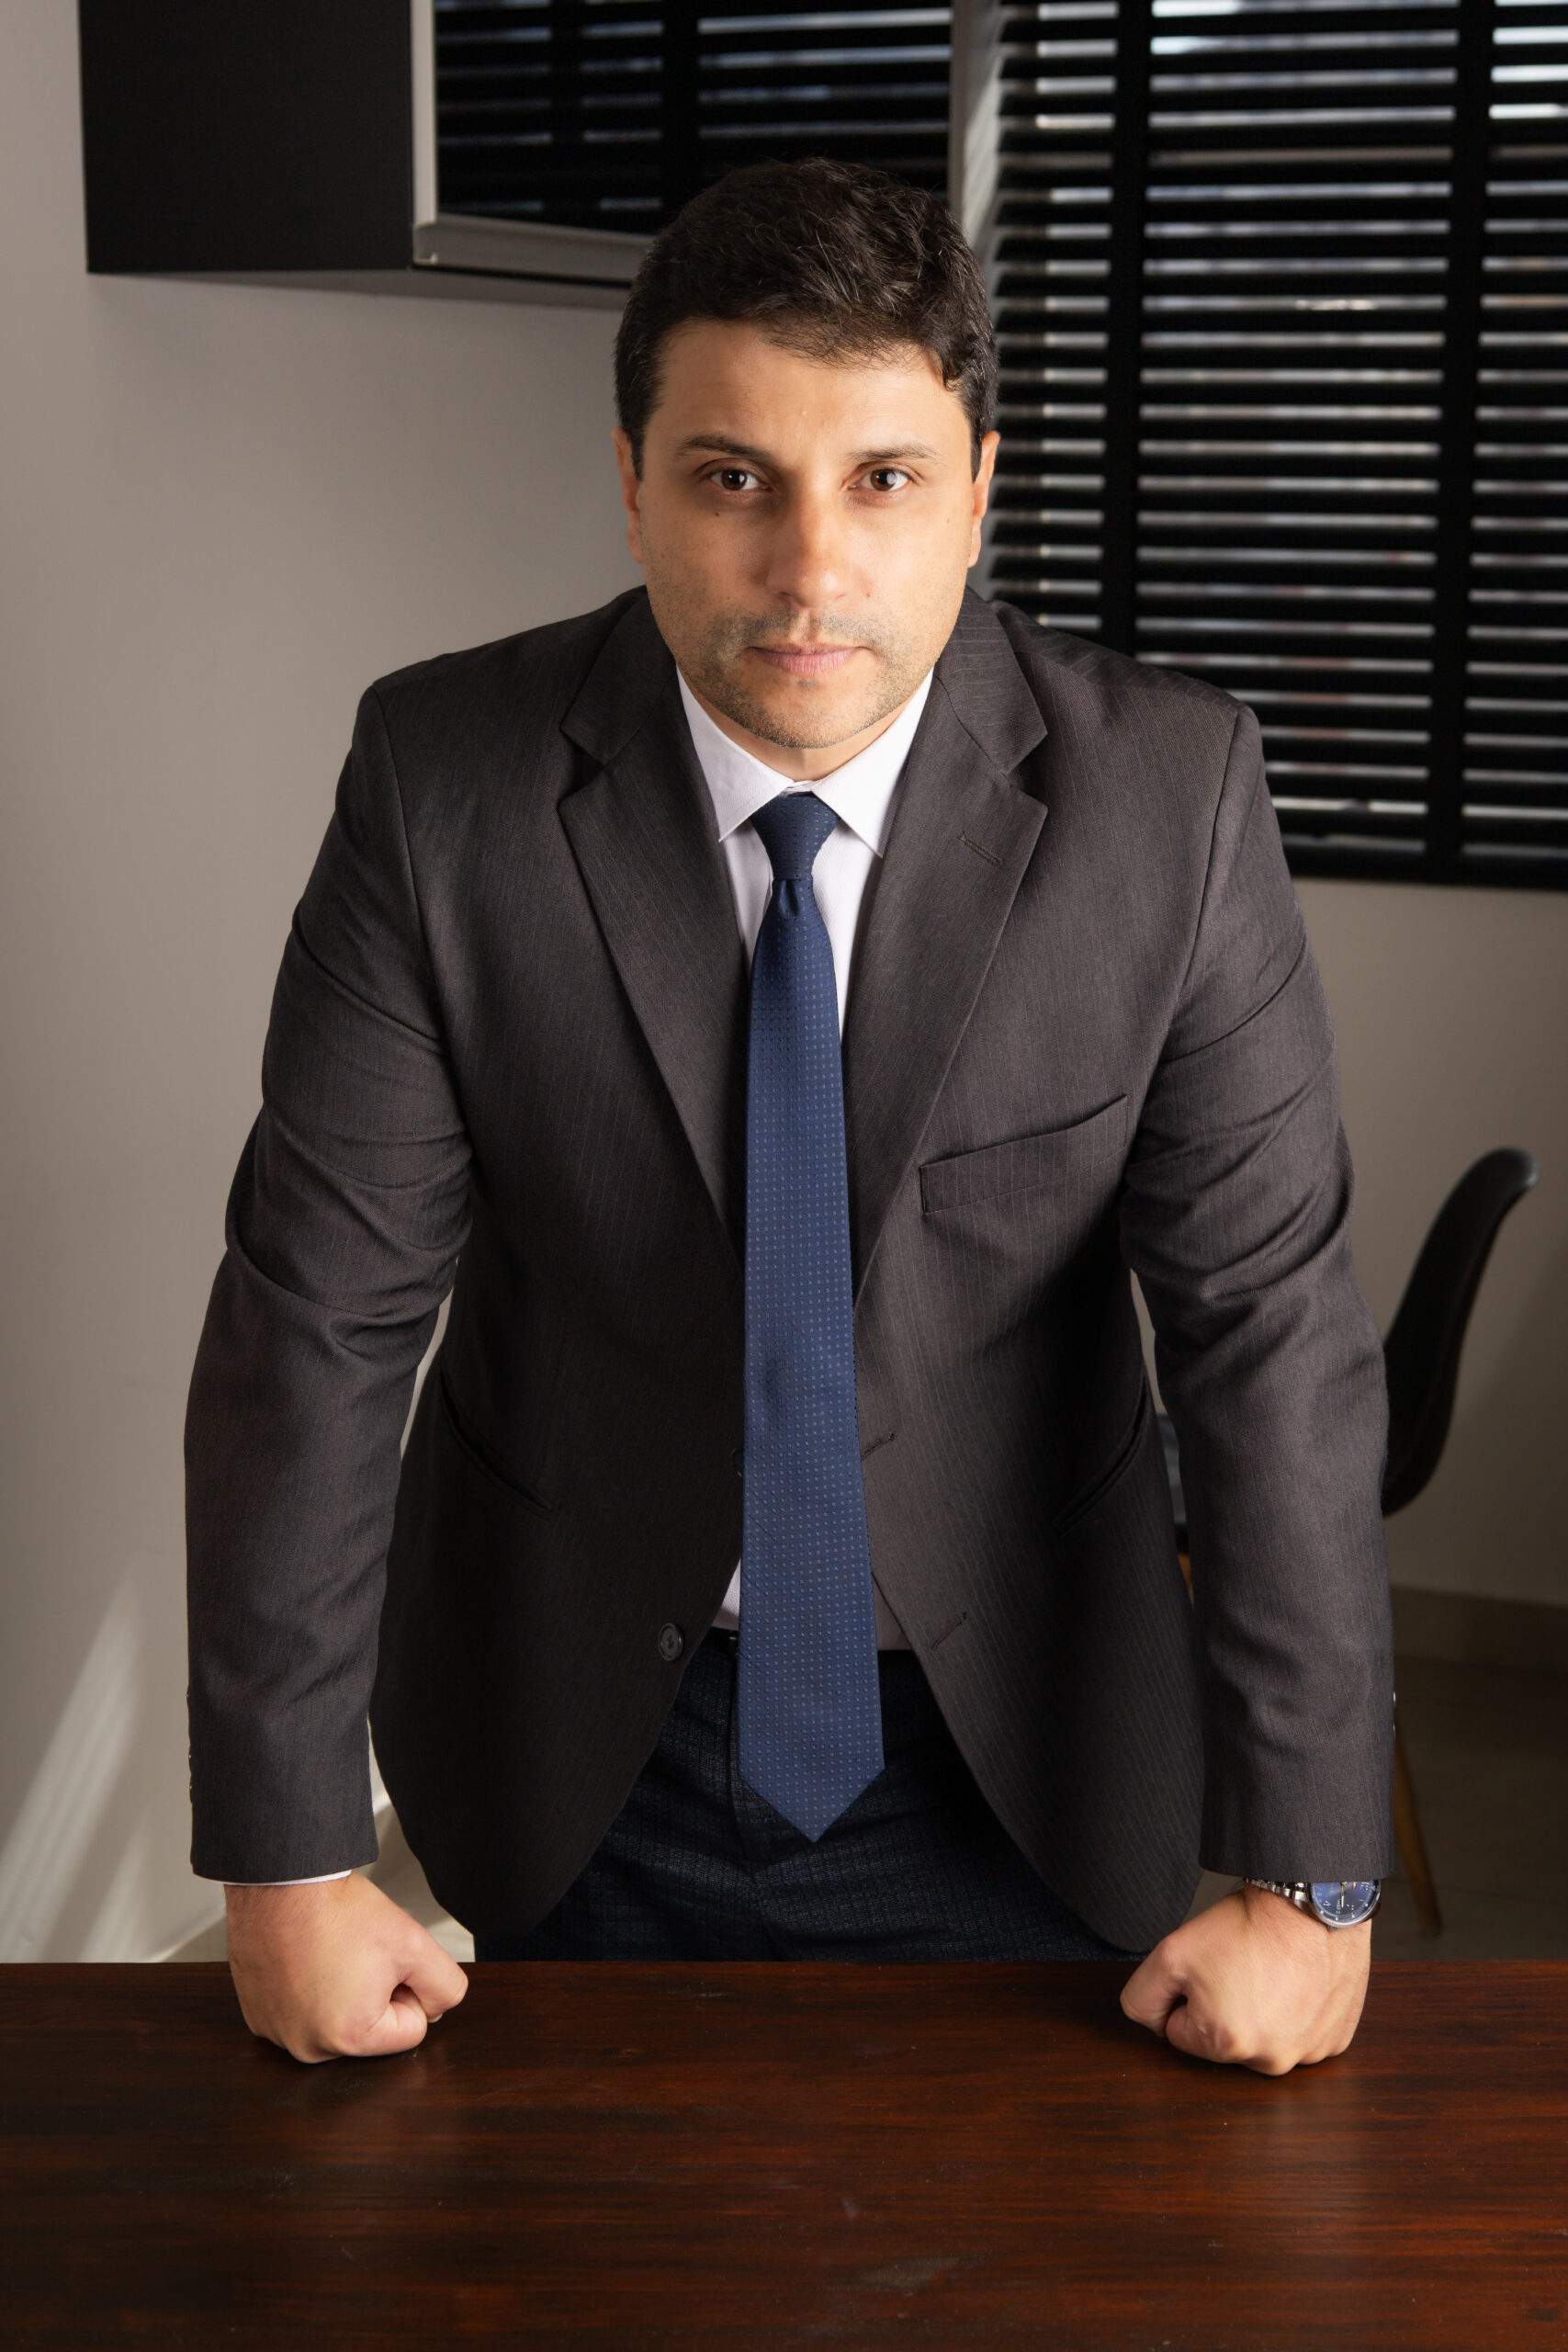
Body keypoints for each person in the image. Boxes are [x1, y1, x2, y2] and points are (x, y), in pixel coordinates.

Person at [187, 158, 1393, 2075]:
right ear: (632, 482)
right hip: (574, 1741)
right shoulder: (444, 783)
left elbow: (1272, 1338)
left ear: (979, 487)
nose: (809, 569)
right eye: (733, 477)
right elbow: (315, 1322)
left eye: (883, 478)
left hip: (1030, 1741)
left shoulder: (1167, 801)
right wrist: (286, 1852)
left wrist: (1312, 1874)